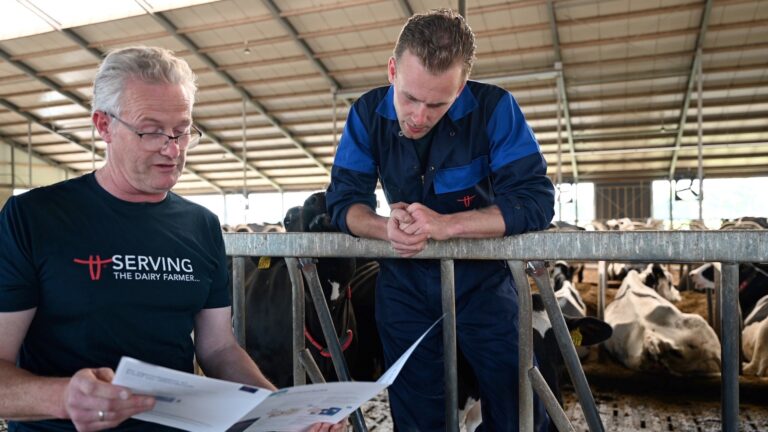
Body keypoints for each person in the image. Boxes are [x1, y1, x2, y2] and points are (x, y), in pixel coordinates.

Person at [0, 47, 342, 432]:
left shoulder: (201, 225)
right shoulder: (33, 218)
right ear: (103, 125)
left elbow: (218, 349)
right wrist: (63, 397)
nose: (172, 149)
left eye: (182, 131)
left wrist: (283, 412)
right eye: (150, 131)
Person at [326, 9, 554, 431]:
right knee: (416, 413)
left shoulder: (494, 108)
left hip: (483, 281)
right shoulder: (366, 113)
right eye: (409, 97)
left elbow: (534, 199)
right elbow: (343, 201)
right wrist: (383, 228)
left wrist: (447, 227)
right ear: (392, 70)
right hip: (405, 283)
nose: (418, 116)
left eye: (437, 104)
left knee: (517, 407)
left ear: (461, 86)